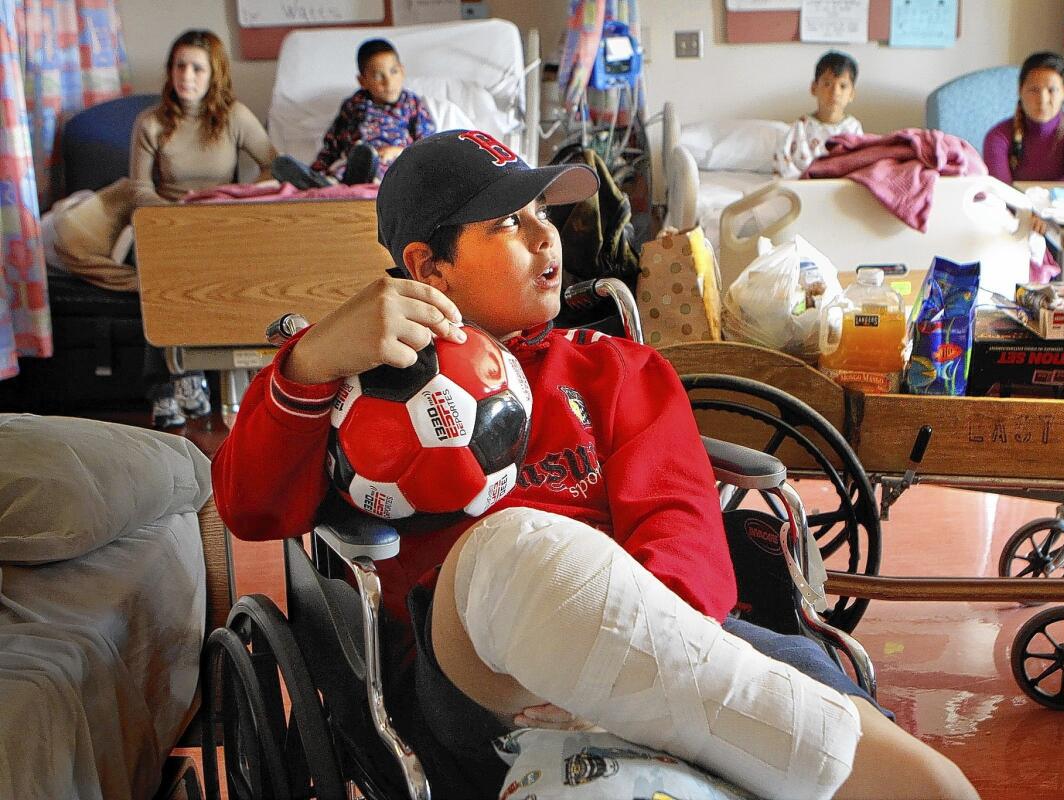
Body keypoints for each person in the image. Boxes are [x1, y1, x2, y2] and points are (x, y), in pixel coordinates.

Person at [212, 130, 978, 800]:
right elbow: (251, 510)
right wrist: (307, 364)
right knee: (509, 553)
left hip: (671, 642)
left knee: (872, 738)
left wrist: (630, 677)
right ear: (428, 265)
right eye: (509, 222)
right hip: (471, 681)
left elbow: (681, 527)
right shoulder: (358, 387)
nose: (547, 238)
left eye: (544, 214)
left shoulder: (616, 370)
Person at [131, 28, 278, 429]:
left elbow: (273, 164)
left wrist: (246, 195)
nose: (187, 76)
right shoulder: (150, 123)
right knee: (162, 277)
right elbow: (140, 190)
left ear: (214, 74)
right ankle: (168, 384)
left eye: (197, 68)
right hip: (166, 223)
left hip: (218, 225)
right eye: (180, 66)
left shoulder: (234, 116)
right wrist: (176, 218)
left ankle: (241, 383)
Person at [271, 38, 435, 189]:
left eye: (394, 72)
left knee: (380, 167)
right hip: (353, 162)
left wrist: (398, 150)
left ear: (402, 71)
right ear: (362, 81)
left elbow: (428, 145)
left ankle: (355, 181)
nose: (388, 82)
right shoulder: (354, 105)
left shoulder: (412, 104)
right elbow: (332, 143)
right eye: (378, 76)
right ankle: (315, 181)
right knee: (347, 165)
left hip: (393, 162)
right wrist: (318, 168)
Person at [982, 51, 1064, 184]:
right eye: (1034, 90)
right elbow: (1002, 191)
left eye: (1052, 90)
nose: (1042, 100)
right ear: (1020, 90)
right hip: (1014, 205)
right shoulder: (998, 136)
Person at [774, 50, 864, 179]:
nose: (835, 92)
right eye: (827, 84)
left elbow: (860, 165)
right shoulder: (801, 127)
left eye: (843, 86)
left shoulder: (853, 128)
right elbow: (783, 162)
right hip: (807, 189)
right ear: (814, 88)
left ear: (852, 94)